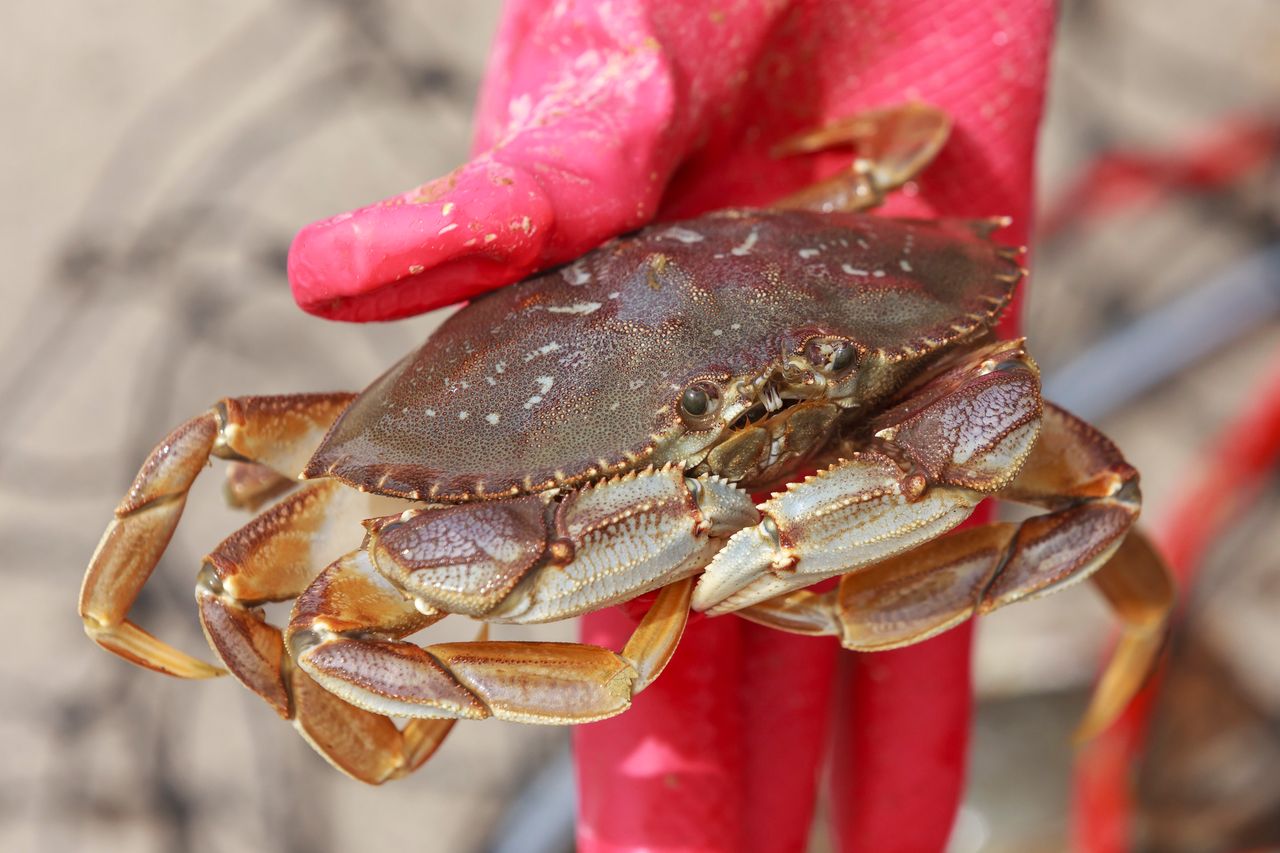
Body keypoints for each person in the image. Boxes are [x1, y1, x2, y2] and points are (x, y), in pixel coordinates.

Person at [288, 2, 1055, 849]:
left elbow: (1039, 431)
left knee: (1087, 477)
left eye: (828, 362)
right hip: (577, 505)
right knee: (317, 620)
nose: (760, 429)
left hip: (805, 257)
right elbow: (332, 633)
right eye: (695, 413)